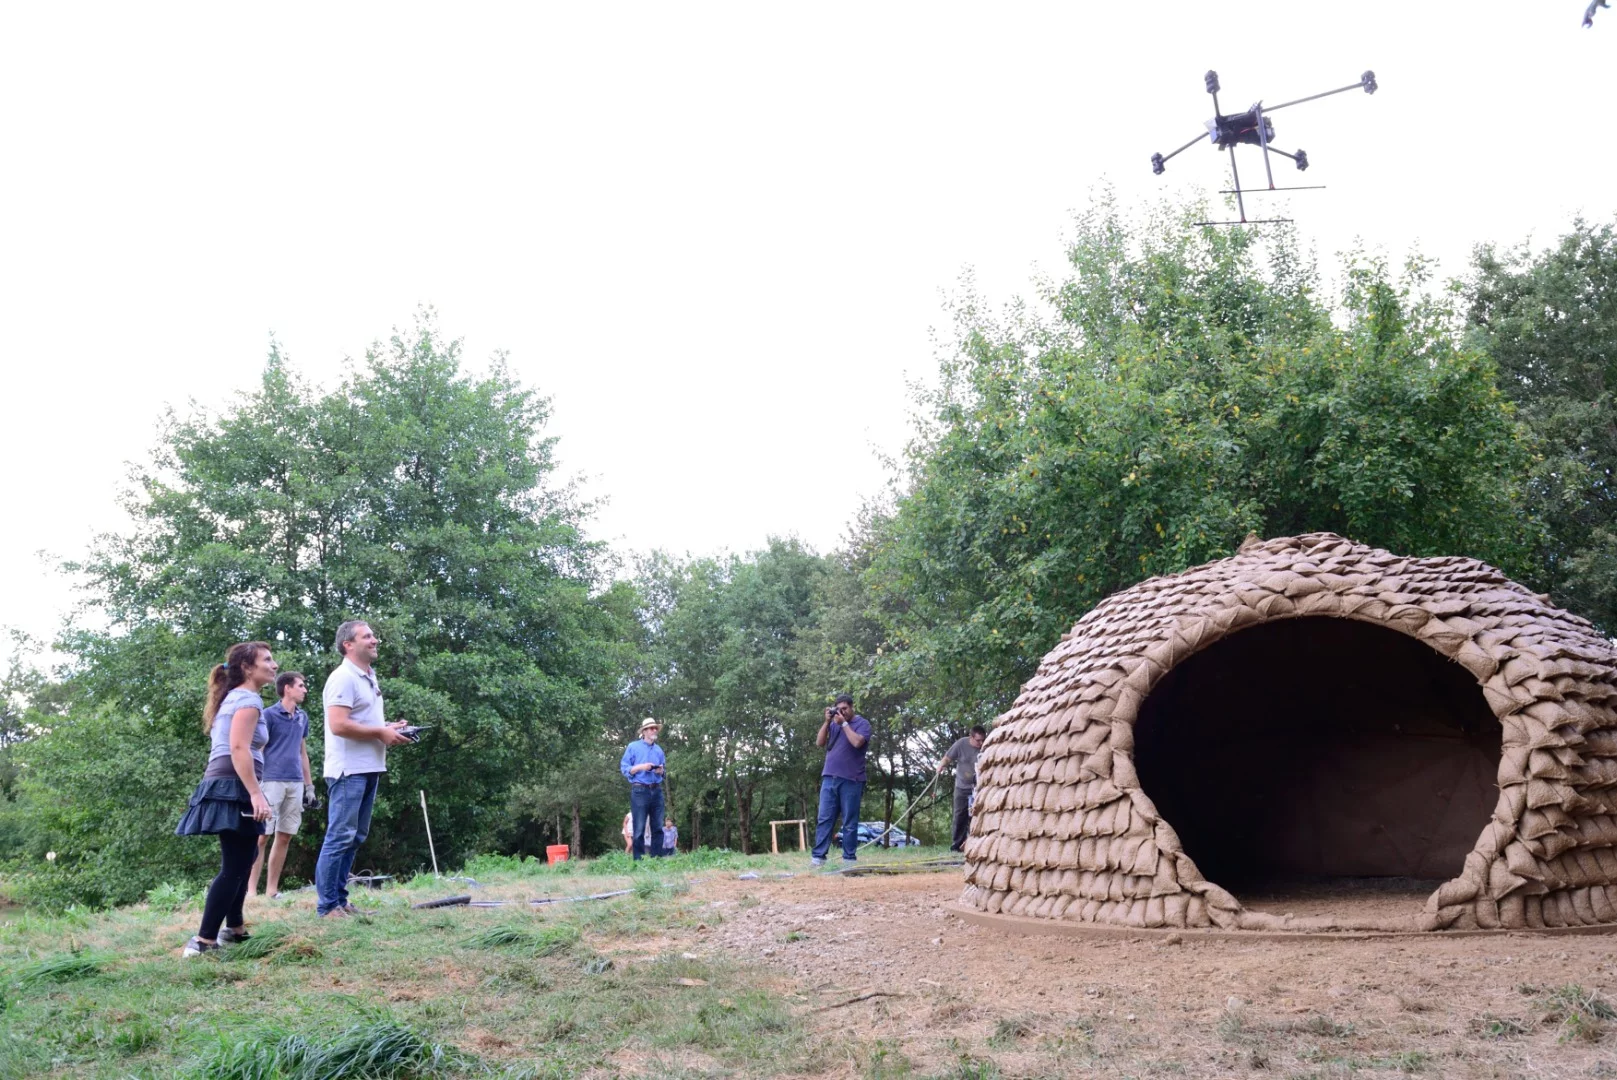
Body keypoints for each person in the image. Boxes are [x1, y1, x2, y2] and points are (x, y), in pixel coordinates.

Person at [175, 641, 277, 957]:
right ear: (247, 668)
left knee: (243, 860)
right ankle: (204, 941)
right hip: (233, 786)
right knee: (235, 866)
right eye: (267, 660)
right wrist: (256, 793)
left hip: (228, 783)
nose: (274, 665)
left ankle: (235, 928)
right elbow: (238, 749)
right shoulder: (248, 700)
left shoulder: (237, 698)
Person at [314, 619, 412, 918]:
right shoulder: (342, 678)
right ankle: (327, 905)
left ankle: (341, 901)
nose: (375, 640)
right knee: (340, 836)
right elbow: (339, 725)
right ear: (348, 644)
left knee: (355, 837)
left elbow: (361, 722)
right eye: (367, 636)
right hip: (348, 771)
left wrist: (386, 728)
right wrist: (380, 733)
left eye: (374, 636)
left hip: (369, 766)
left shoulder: (368, 676)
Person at [248, 671, 315, 900]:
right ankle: (250, 892)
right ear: (287, 688)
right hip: (271, 780)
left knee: (284, 836)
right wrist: (255, 785)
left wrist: (310, 787)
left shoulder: (302, 717)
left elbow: (302, 753)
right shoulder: (268, 715)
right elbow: (258, 749)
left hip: (295, 782)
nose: (305, 689)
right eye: (301, 685)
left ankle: (271, 891)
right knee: (261, 836)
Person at [811, 694, 871, 867]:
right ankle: (818, 858)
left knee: (850, 822)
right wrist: (827, 722)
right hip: (829, 777)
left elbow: (857, 742)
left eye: (845, 709)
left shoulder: (862, 724)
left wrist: (843, 724)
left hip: (852, 779)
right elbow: (819, 742)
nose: (842, 712)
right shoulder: (834, 724)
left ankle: (849, 860)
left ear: (852, 707)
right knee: (824, 819)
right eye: (839, 709)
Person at [619, 717, 666, 859]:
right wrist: (642, 767)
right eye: (651, 728)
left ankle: (656, 859)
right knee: (638, 828)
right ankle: (637, 861)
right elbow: (624, 768)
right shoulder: (633, 747)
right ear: (644, 731)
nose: (654, 730)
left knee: (657, 827)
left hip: (656, 790)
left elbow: (664, 772)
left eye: (656, 728)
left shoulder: (659, 750)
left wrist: (661, 771)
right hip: (640, 790)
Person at [937, 725, 987, 853]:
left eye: (982, 740)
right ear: (971, 737)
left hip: (979, 788)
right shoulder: (961, 744)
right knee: (960, 816)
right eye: (978, 740)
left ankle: (976, 844)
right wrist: (941, 766)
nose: (981, 743)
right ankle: (956, 845)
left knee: (977, 815)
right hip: (961, 787)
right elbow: (947, 757)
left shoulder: (986, 747)